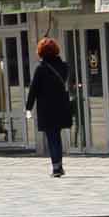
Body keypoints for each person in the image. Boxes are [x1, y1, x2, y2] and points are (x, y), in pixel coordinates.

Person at [25, 37, 74, 177]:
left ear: (41, 51)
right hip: (60, 107)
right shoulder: (64, 66)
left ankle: (56, 168)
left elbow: (34, 89)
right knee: (56, 136)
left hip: (46, 108)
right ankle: (59, 165)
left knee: (52, 138)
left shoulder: (41, 69)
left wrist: (28, 108)